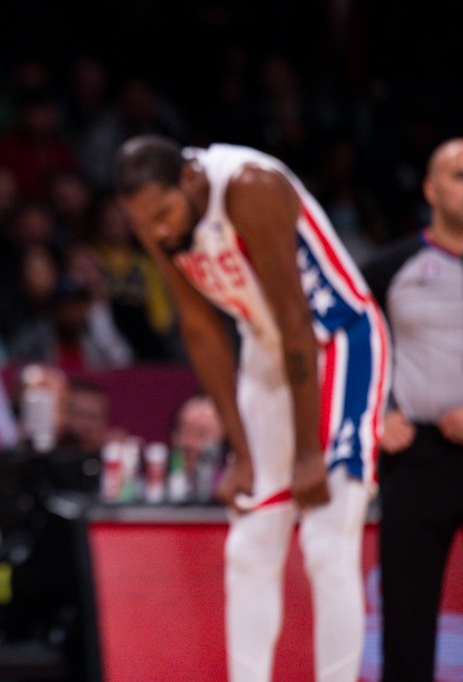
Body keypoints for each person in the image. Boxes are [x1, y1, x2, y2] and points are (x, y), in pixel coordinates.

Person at [114, 135, 389, 682]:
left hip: (337, 341)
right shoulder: (154, 213)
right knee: (249, 544)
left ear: (189, 181)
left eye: (166, 213)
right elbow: (202, 332)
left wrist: (309, 451)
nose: (161, 231)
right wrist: (239, 451)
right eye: (147, 221)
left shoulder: (250, 186)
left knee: (325, 541)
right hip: (267, 352)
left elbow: (295, 317)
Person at [361, 138, 463, 682]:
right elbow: (339, 341)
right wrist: (371, 416)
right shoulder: (394, 266)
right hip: (418, 456)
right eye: (459, 174)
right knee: (407, 618)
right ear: (430, 190)